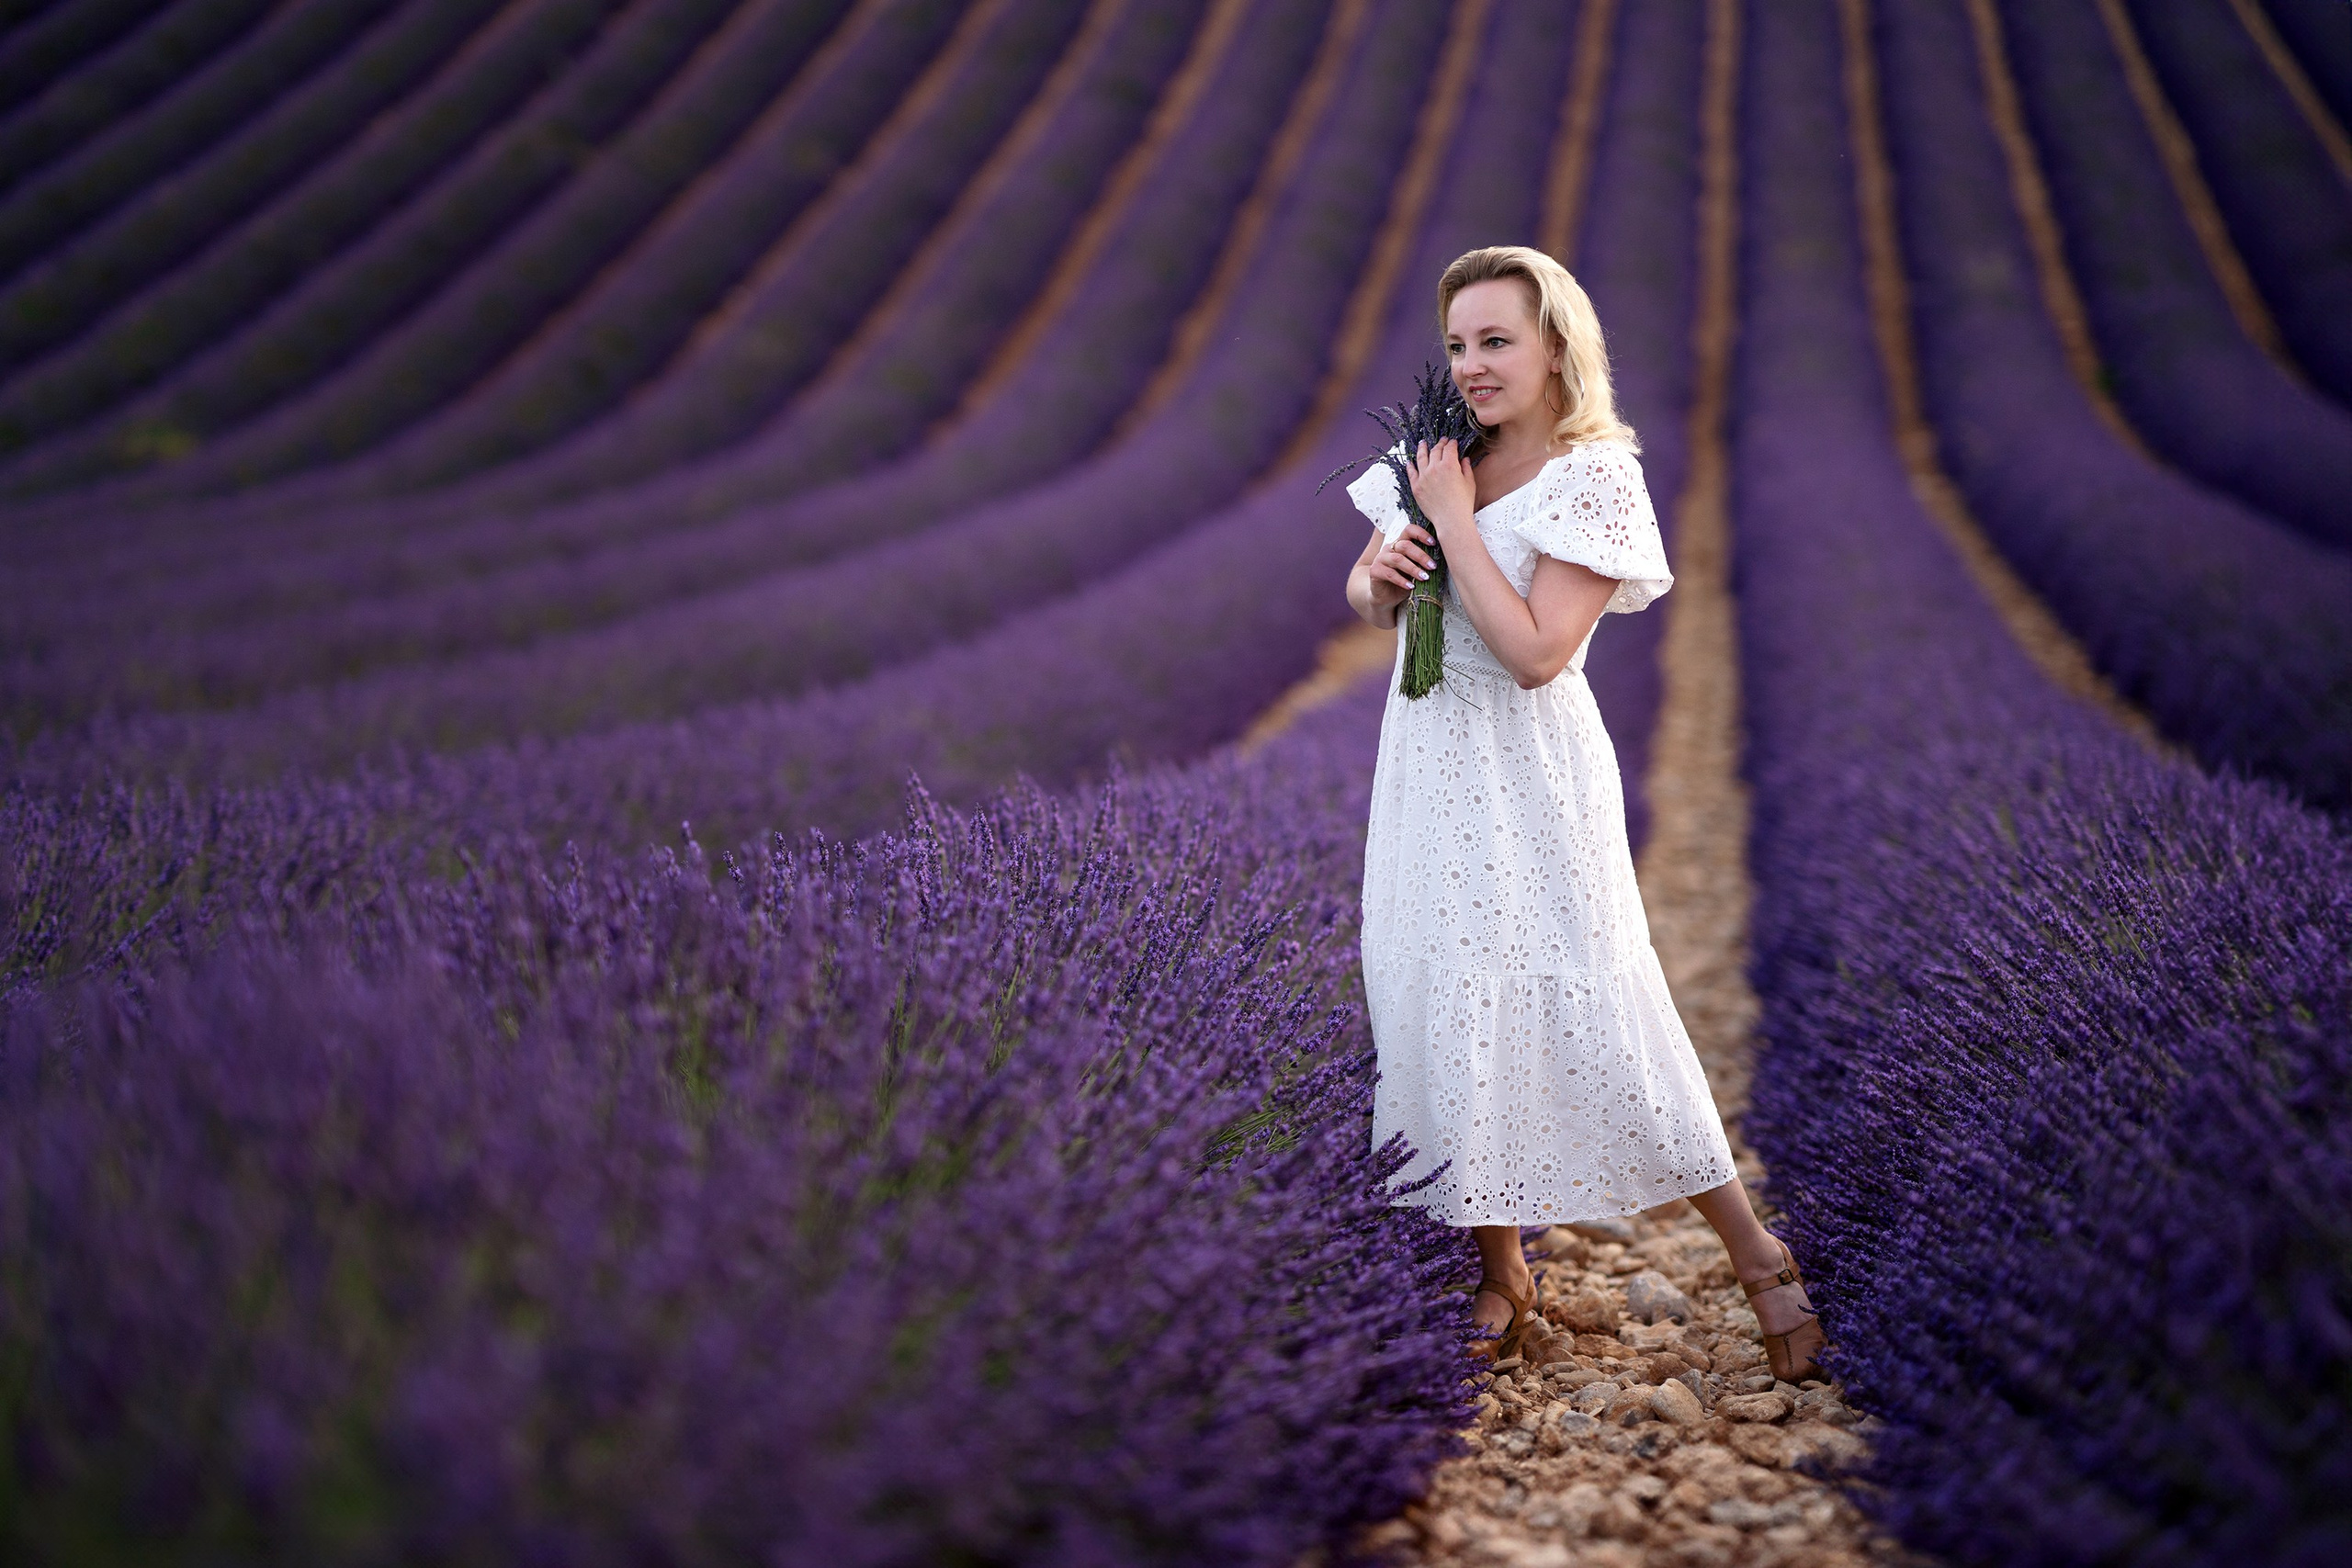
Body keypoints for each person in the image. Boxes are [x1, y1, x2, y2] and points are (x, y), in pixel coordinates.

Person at [1340, 245, 1825, 1383]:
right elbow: (1363, 595)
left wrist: (1452, 526)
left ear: (1559, 347)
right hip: (1425, 765)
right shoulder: (1432, 455)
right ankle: (1500, 1269)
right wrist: (1387, 573)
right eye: (1458, 344)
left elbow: (1537, 656)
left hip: (1532, 774)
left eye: (1497, 341)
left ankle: (1756, 1256)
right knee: (1437, 993)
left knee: (1597, 994)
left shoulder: (1593, 477)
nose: (1472, 365)